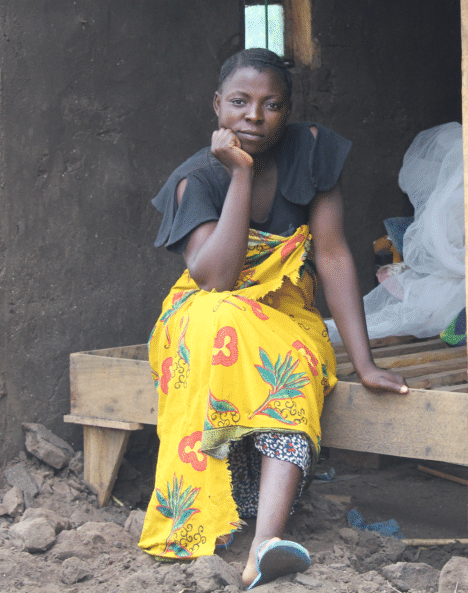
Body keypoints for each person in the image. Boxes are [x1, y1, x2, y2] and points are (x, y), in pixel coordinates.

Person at [139, 48, 408, 589]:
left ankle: (265, 542)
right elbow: (215, 278)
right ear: (217, 105)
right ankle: (209, 516)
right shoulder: (195, 179)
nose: (254, 117)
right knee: (221, 315)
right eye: (239, 102)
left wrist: (365, 362)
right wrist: (239, 175)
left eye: (271, 105)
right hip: (205, 316)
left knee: (290, 364)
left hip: (284, 316)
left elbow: (331, 255)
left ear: (288, 111)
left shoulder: (312, 153)